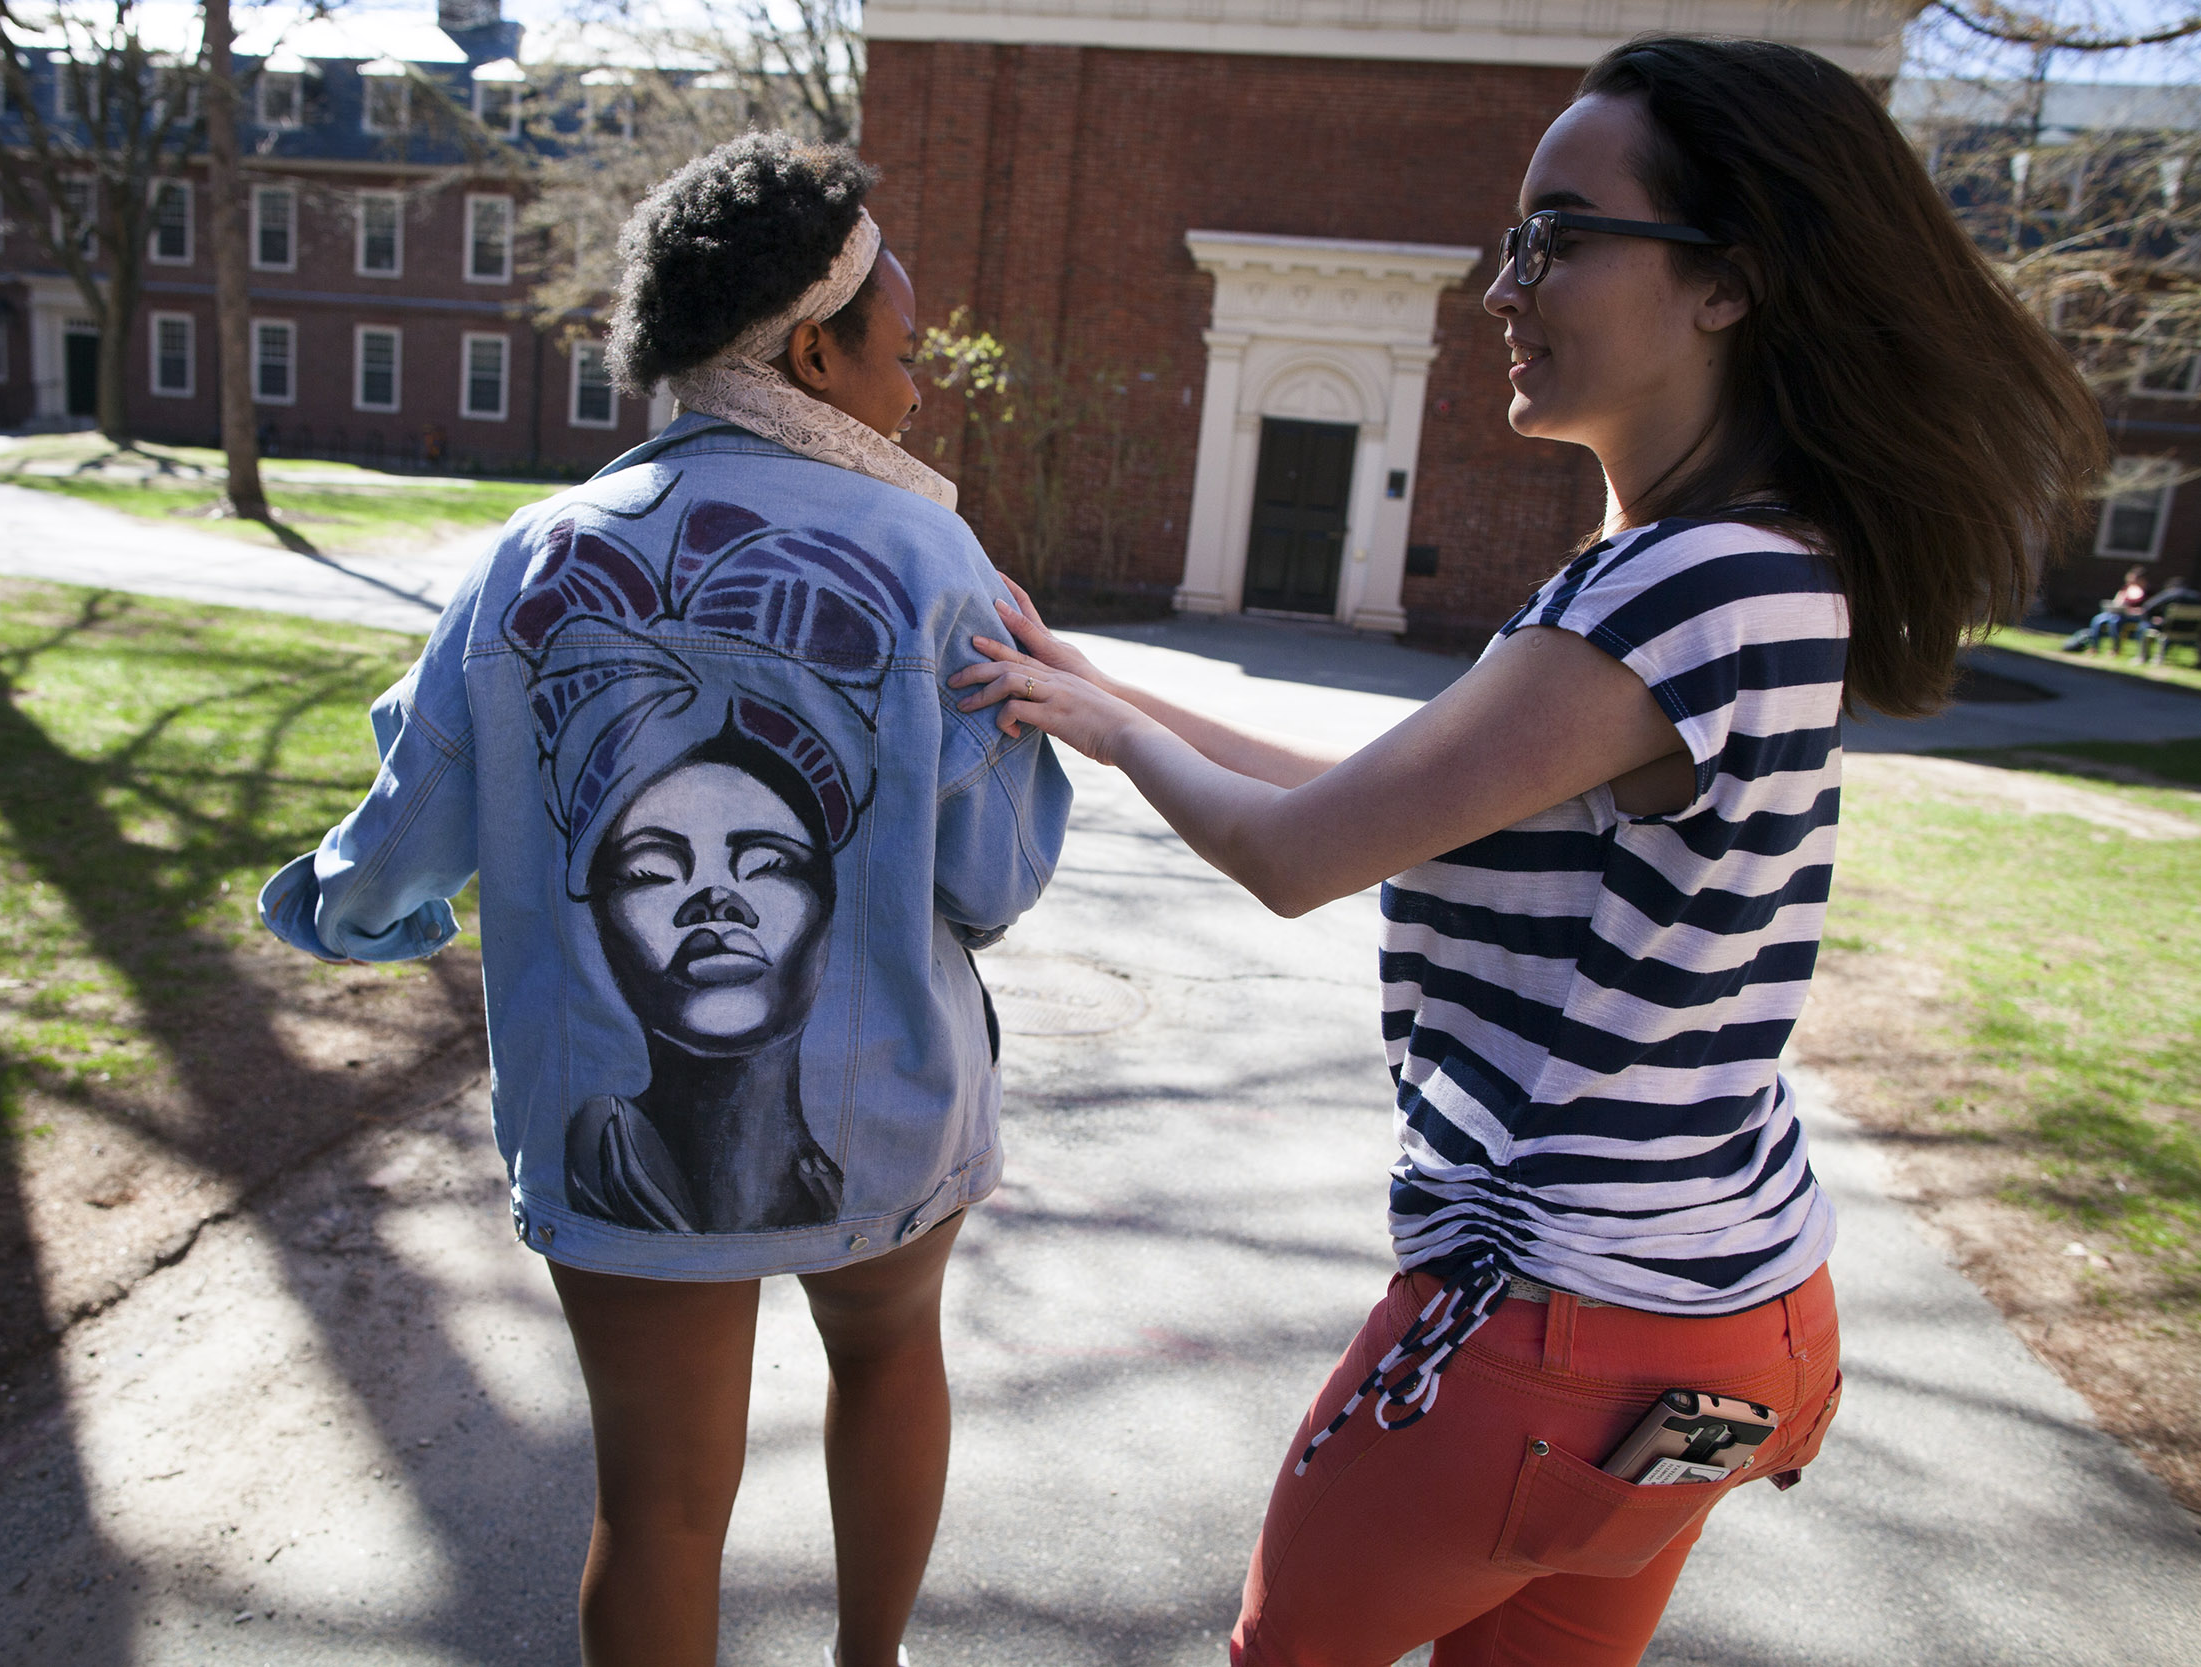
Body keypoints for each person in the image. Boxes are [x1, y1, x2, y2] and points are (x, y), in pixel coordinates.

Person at [952, 35, 2105, 1667]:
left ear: (1728, 283)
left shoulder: (1668, 588)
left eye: (1559, 233)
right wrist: (1094, 682)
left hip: (1554, 1338)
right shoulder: (1771, 562)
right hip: (1744, 1328)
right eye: (1513, 236)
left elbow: (1295, 854)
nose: (1507, 283)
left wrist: (1118, 734)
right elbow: (1385, 794)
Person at [260, 134, 1070, 1667]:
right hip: (893, 1095)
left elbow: (403, 830)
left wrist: (353, 915)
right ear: (816, 353)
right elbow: (990, 876)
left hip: (604, 1131)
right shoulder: (934, 557)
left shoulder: (531, 557)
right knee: (890, 1360)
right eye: (899, 354)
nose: (917, 390)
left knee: (656, 1501)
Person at [2063, 564, 2149, 653]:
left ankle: (2116, 648)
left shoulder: (2147, 593)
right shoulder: (2125, 590)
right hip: (2116, 613)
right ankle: (2094, 646)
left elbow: (2146, 610)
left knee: (2115, 621)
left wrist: (2132, 611)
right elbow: (2116, 603)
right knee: (2098, 619)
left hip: (2130, 617)